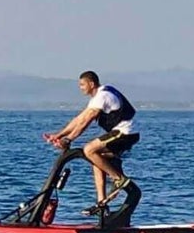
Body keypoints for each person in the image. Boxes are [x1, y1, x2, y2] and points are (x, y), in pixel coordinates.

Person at [43, 71, 140, 215]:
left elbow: (85, 122)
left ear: (91, 84)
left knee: (89, 149)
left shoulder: (102, 96)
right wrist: (59, 135)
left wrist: (69, 139)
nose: (80, 88)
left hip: (126, 132)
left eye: (82, 84)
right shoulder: (97, 98)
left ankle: (119, 179)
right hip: (121, 132)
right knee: (96, 158)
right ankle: (102, 205)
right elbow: (79, 119)